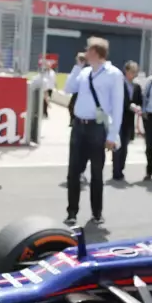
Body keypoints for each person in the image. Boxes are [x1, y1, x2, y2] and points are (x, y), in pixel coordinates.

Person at [64, 37, 124, 226]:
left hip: (97, 127)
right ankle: (72, 212)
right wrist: (77, 67)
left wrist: (112, 135)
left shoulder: (113, 74)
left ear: (97, 53)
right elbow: (68, 88)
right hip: (79, 126)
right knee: (73, 171)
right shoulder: (85, 72)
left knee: (96, 173)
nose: (85, 53)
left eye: (88, 50)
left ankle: (97, 212)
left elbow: (117, 105)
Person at [112, 60, 142, 181]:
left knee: (125, 145)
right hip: (119, 117)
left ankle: (121, 168)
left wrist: (138, 107)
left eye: (135, 72)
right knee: (117, 145)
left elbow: (140, 100)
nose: (133, 74)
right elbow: (119, 99)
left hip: (129, 120)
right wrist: (130, 106)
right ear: (126, 71)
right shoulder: (119, 83)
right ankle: (116, 170)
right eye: (131, 71)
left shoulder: (137, 86)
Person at [67, 52, 87, 128]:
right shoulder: (77, 67)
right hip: (76, 91)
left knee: (72, 106)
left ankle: (74, 121)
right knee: (71, 106)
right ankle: (73, 120)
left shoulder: (83, 69)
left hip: (79, 91)